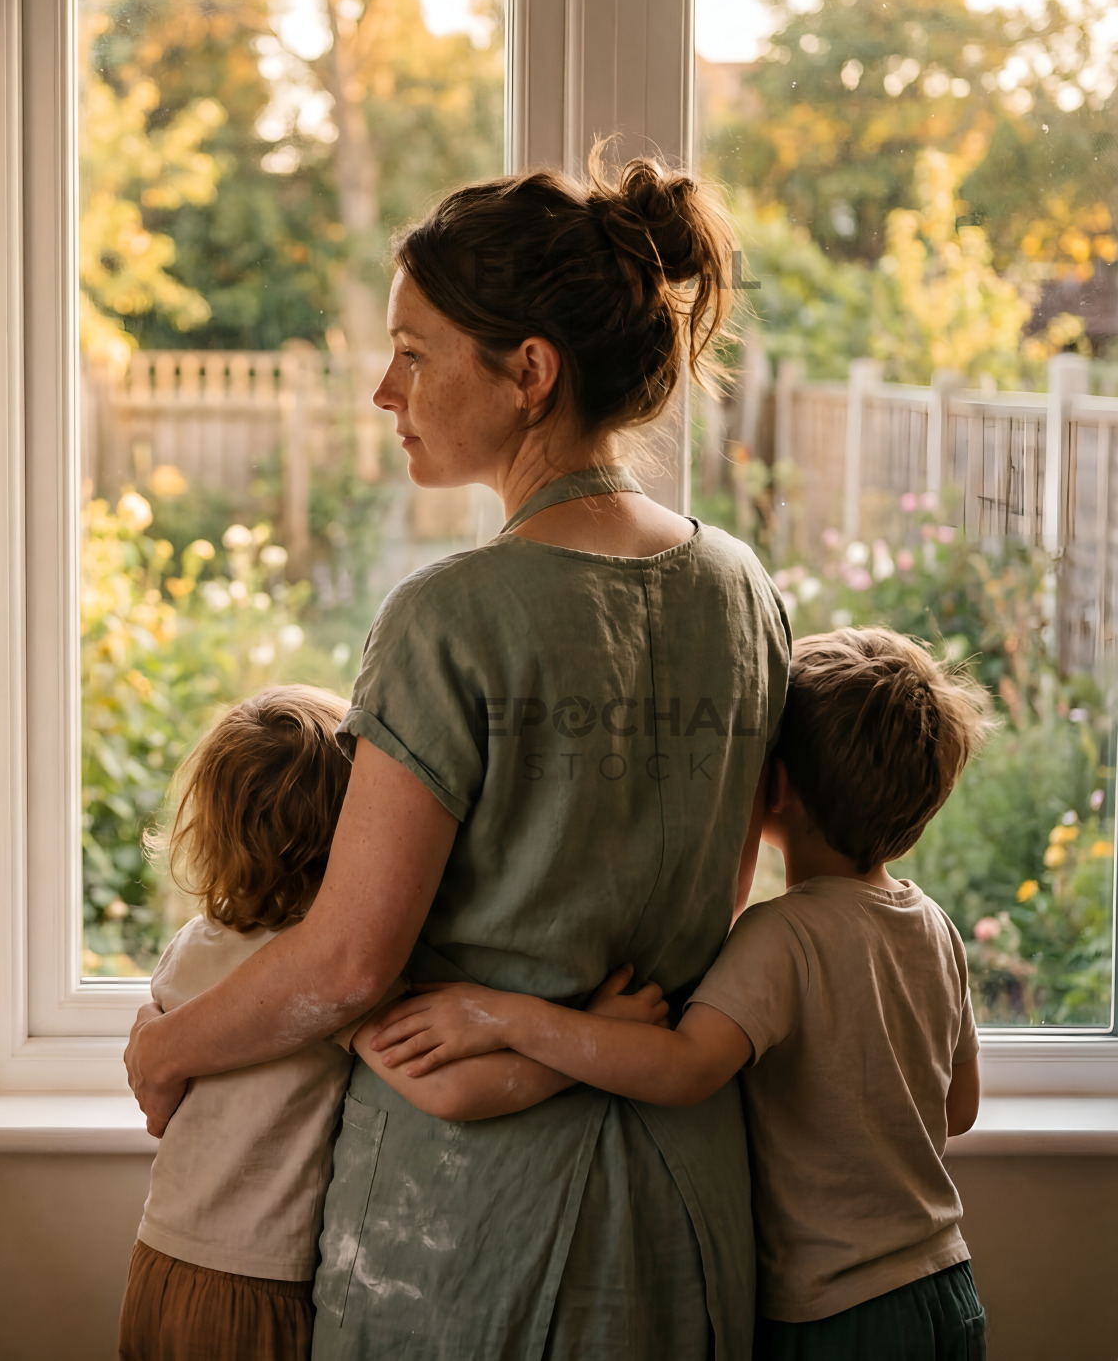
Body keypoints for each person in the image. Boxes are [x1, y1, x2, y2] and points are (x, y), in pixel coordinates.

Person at [125, 145, 792, 1360]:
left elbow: (344, 960)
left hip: (467, 1225)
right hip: (687, 1207)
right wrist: (572, 1044)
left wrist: (167, 1043)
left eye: (415, 352)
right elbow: (721, 908)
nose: (386, 389)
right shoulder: (742, 590)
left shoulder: (448, 616)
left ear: (528, 373)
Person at [366, 626, 992, 1360]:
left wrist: (508, 1015)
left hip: (839, 1313)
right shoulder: (932, 924)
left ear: (775, 786)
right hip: (946, 1284)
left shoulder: (783, 935)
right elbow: (958, 1106)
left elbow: (685, 1068)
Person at [119, 686, 672, 1361]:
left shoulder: (192, 947)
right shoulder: (322, 974)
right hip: (255, 1284)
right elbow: (450, 1091)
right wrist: (587, 1038)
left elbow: (157, 1101)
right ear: (355, 835)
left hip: (158, 1261)